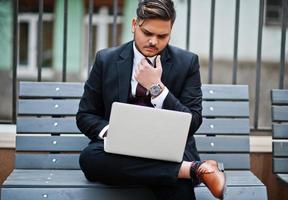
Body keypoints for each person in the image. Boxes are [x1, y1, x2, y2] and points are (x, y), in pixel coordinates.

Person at [77, 0, 226, 199]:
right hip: (122, 150)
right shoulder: (106, 60)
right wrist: (112, 132)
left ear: (170, 32)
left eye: (162, 36)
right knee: (90, 159)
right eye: (147, 33)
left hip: (171, 150)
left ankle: (181, 170)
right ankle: (192, 170)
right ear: (133, 25)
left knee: (179, 188)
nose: (154, 41)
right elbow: (85, 114)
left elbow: (193, 121)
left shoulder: (187, 63)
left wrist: (157, 88)